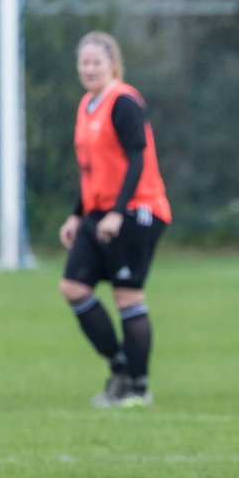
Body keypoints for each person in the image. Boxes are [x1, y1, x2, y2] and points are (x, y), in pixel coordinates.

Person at [59, 31, 171, 408]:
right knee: (73, 287)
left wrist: (117, 213)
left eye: (96, 62)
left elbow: (137, 159)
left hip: (136, 211)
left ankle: (139, 388)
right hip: (98, 212)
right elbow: (92, 169)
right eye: (84, 62)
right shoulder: (86, 105)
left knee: (127, 296)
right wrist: (77, 215)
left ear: (112, 64)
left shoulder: (123, 102)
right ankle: (120, 367)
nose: (89, 69)